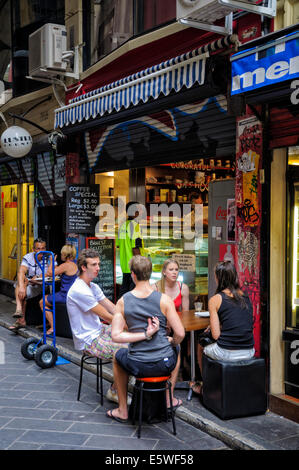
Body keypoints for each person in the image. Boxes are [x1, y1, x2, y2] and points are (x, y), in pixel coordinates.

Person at [106, 255, 185, 423]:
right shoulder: (164, 300)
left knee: (117, 356)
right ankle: (169, 398)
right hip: (164, 363)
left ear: (133, 274)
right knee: (176, 349)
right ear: (151, 274)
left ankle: (122, 410)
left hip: (138, 365)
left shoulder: (123, 301)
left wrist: (142, 335)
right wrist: (170, 341)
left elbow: (116, 335)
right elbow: (180, 334)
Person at [66, 248, 127, 404]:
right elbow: (106, 315)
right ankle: (115, 391)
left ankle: (119, 387)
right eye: (94, 264)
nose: (98, 268)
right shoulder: (79, 290)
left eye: (98, 264)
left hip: (99, 331)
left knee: (137, 342)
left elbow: (113, 308)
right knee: (129, 351)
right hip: (89, 340)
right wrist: (127, 326)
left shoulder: (93, 287)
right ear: (84, 267)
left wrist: (132, 322)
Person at [192, 260, 255, 395]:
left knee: (201, 345)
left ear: (218, 278)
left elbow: (215, 336)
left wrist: (214, 327)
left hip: (227, 352)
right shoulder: (245, 297)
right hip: (250, 351)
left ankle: (206, 387)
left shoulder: (215, 299)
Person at [10, 238, 49, 332]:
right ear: (33, 249)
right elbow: (21, 272)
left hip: (40, 285)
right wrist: (23, 286)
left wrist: (29, 281)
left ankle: (20, 319)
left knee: (22, 288)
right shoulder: (28, 257)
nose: (41, 251)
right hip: (29, 283)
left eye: (43, 248)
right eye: (38, 248)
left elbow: (49, 274)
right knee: (21, 287)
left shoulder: (49, 257)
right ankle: (20, 314)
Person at [40, 244, 78, 335]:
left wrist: (52, 261)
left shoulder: (67, 265)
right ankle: (52, 322)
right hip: (72, 294)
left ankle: (53, 327)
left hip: (65, 295)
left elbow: (50, 273)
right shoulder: (75, 263)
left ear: (65, 254)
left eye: (62, 254)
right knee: (48, 297)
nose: (61, 255)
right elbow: (58, 269)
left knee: (42, 301)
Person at [116, 201, 144, 297]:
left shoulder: (123, 226)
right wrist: (141, 264)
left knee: (124, 289)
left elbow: (118, 245)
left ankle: (121, 308)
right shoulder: (135, 226)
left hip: (124, 265)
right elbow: (135, 248)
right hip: (134, 265)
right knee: (133, 291)